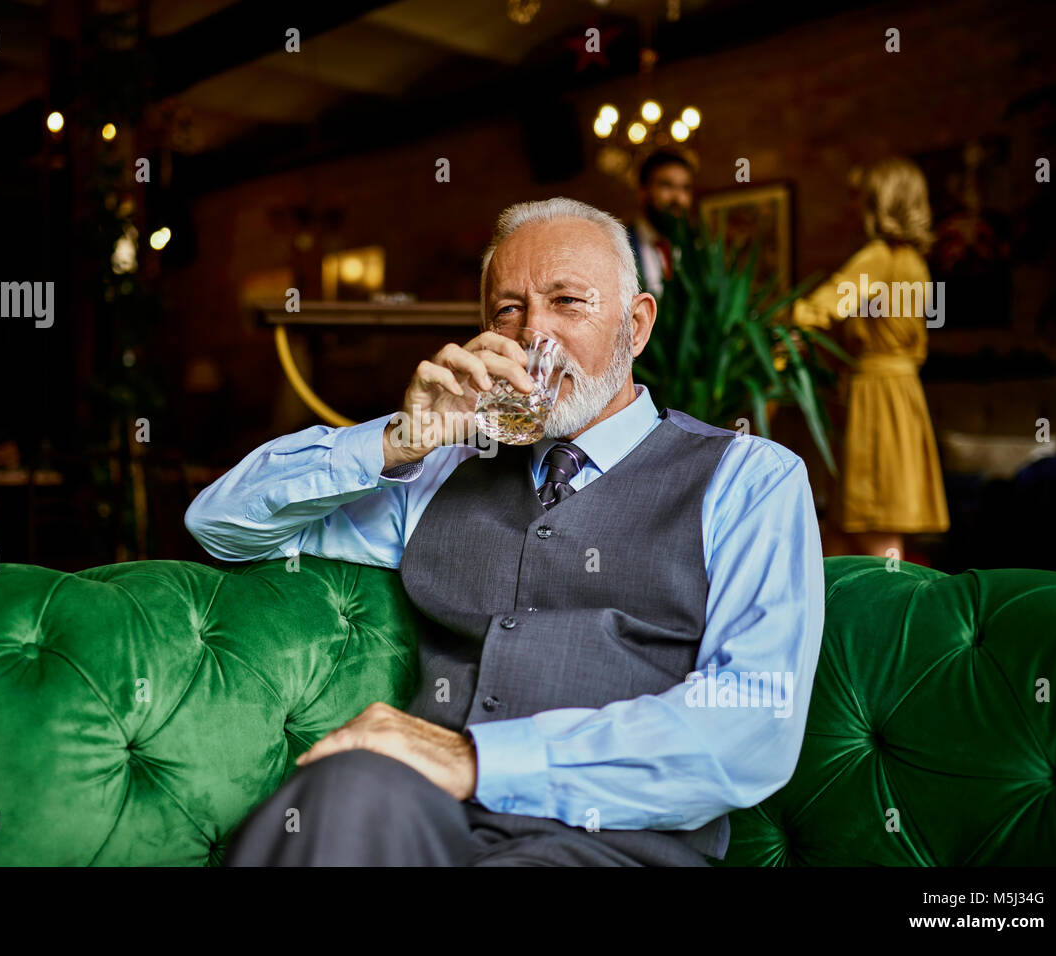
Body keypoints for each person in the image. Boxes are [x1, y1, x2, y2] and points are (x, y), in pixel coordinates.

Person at [186, 197, 825, 867]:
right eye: (508, 310)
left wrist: (478, 758)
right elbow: (221, 523)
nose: (533, 336)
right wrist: (398, 440)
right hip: (422, 823)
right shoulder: (441, 472)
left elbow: (753, 721)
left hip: (612, 849)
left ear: (634, 328)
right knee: (343, 786)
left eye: (568, 302)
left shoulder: (749, 478)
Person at [791, 157, 950, 560]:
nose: (852, 206)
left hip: (875, 397)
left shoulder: (879, 256)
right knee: (862, 525)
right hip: (903, 393)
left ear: (879, 201)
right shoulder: (914, 262)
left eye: (859, 197)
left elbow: (828, 304)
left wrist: (779, 323)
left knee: (872, 524)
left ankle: (887, 614)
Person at [626, 149, 696, 302]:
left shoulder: (697, 247)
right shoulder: (619, 246)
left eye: (685, 188)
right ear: (643, 191)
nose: (678, 198)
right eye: (667, 185)